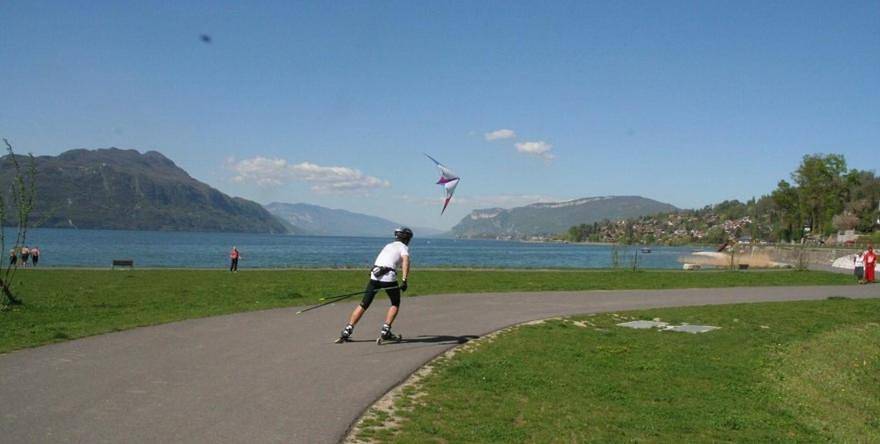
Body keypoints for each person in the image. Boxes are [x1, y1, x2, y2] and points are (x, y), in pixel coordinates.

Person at [336, 227, 412, 344]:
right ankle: (386, 330)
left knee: (364, 303)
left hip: (375, 275)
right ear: (407, 238)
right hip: (388, 277)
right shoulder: (403, 247)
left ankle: (347, 330)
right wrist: (404, 280)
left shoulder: (389, 245)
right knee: (395, 303)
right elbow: (406, 261)